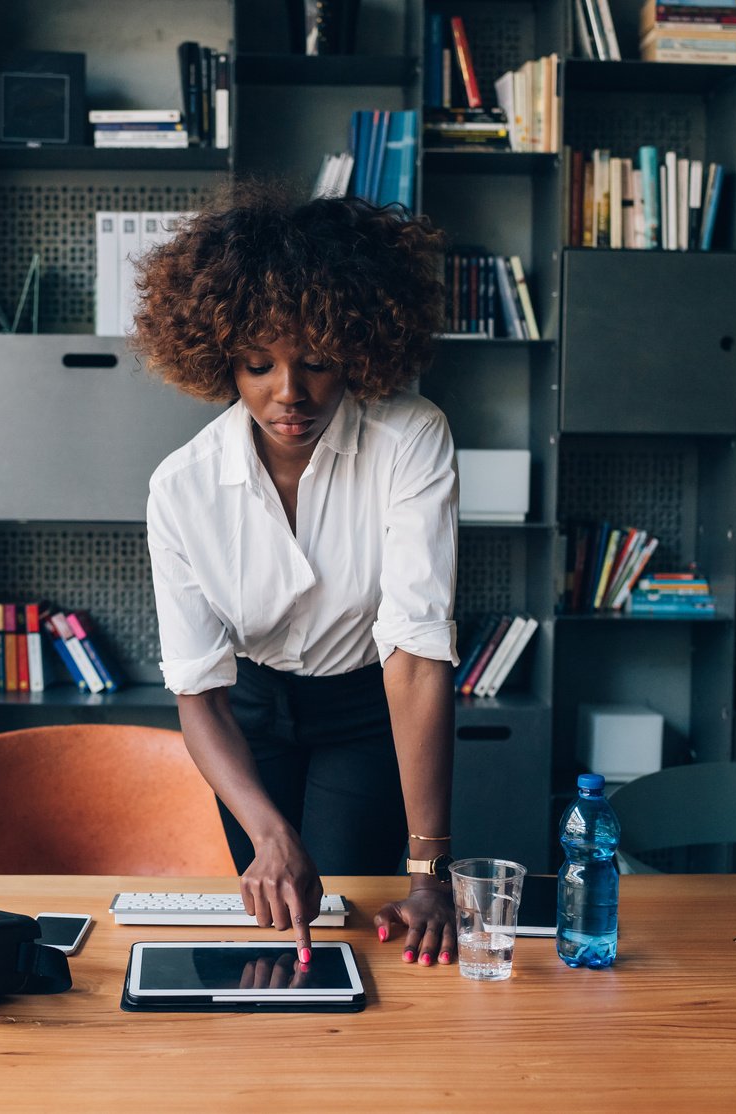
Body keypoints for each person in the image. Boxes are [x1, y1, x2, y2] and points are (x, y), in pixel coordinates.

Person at [132, 184, 461, 969]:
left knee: (351, 916)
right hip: (246, 713)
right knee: (278, 910)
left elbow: (413, 654)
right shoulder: (179, 488)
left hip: (366, 705)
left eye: (316, 362)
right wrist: (269, 832)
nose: (290, 392)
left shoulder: (410, 437)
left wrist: (429, 872)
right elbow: (198, 694)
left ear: (357, 347)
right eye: (257, 364)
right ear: (220, 362)